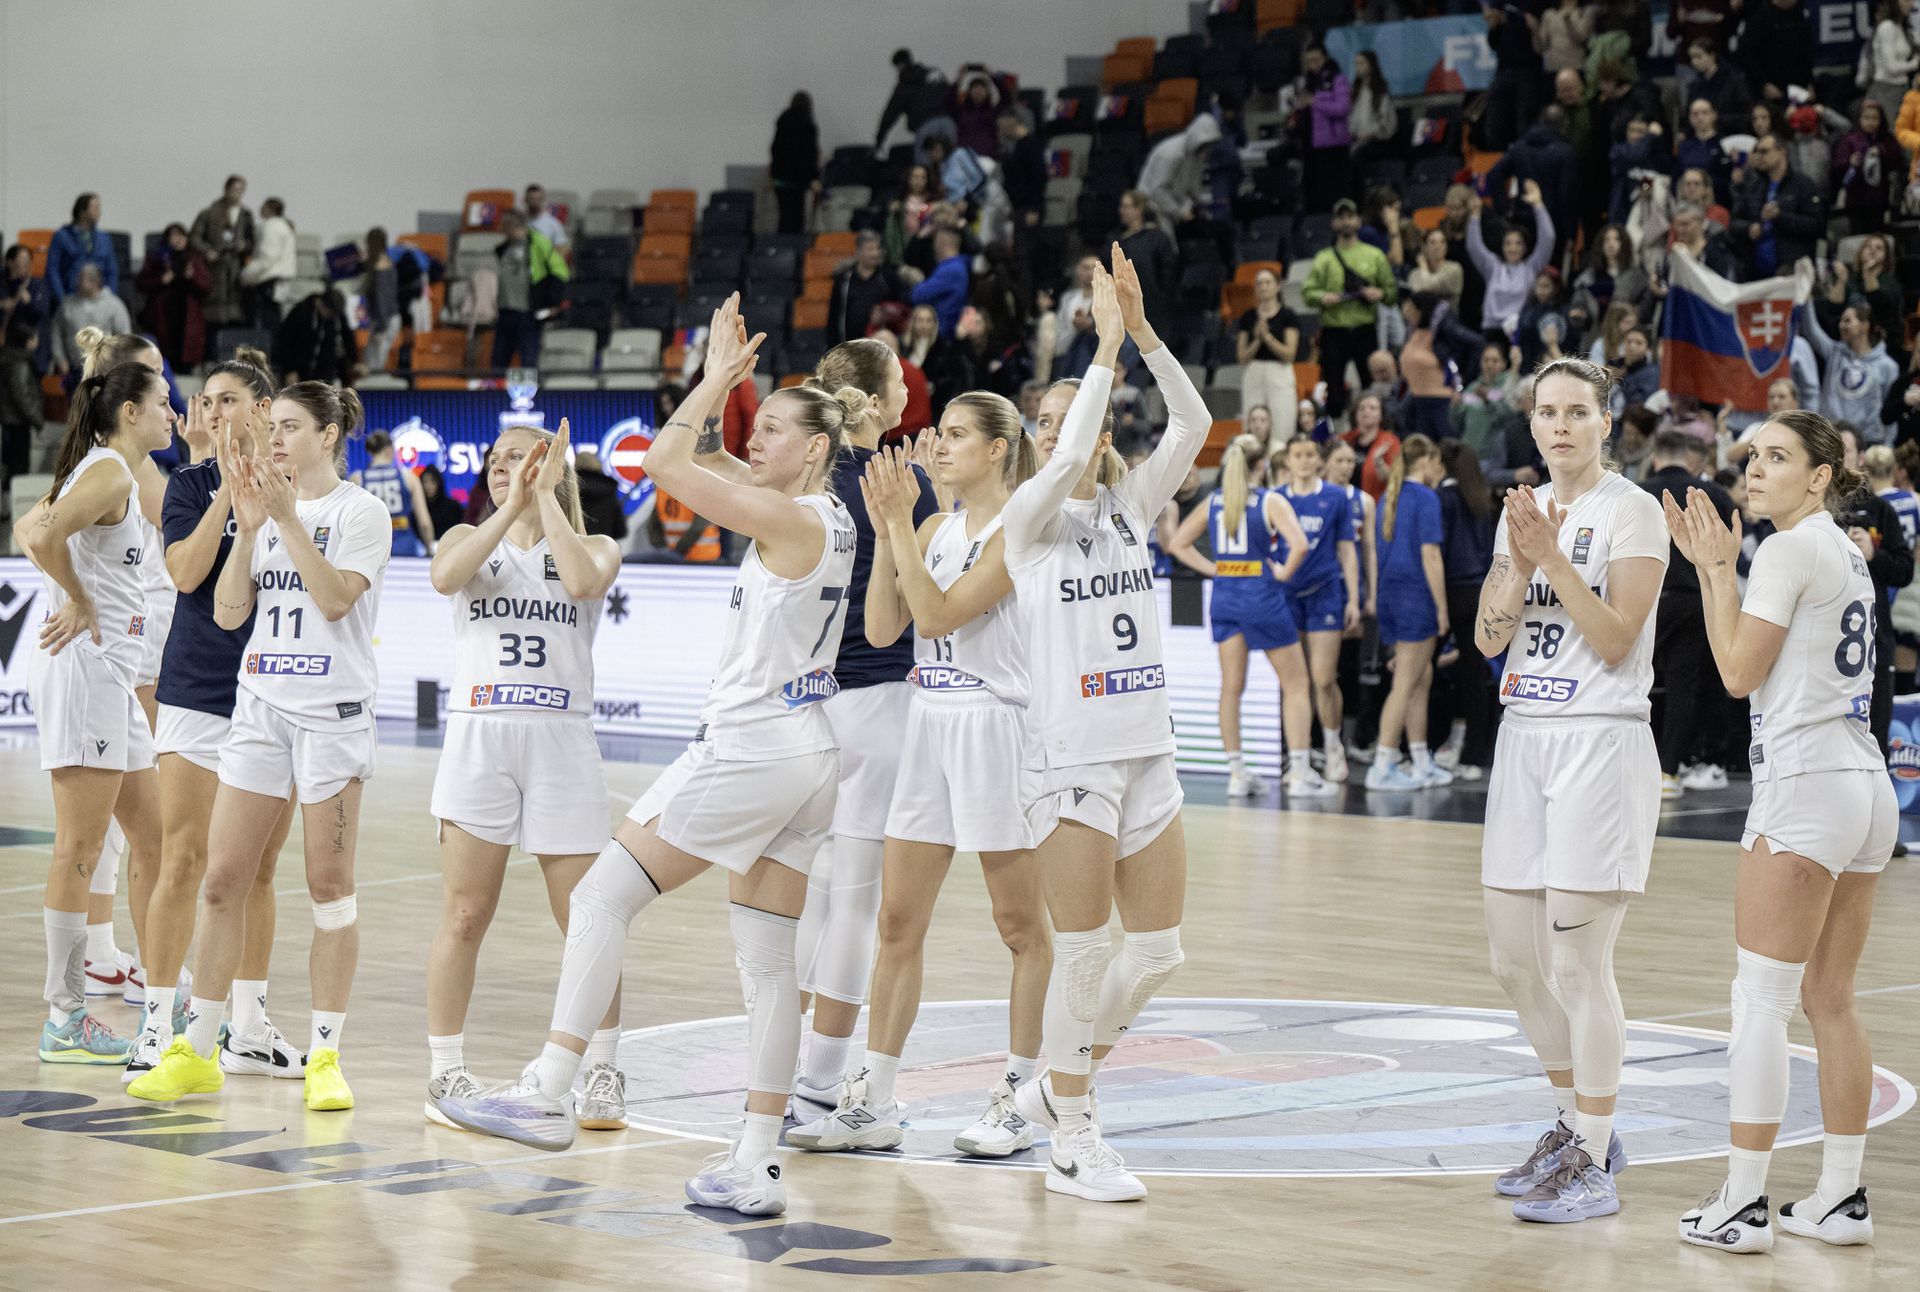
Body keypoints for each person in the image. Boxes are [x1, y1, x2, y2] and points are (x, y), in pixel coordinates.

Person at [439, 298, 859, 1221]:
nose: (757, 441)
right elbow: (704, 460)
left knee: (599, 896)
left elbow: (666, 463)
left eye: (775, 429)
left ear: (818, 449)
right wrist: (715, 407)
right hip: (809, 755)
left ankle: (550, 1089)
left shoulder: (795, 526)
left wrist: (714, 383)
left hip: (750, 748)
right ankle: (758, 1162)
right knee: (766, 965)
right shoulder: (814, 515)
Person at [972, 248, 1206, 1203]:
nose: (1076, 430)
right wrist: (1101, 348)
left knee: (1156, 952)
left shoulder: (1130, 509)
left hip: (1148, 754)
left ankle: (1045, 1090)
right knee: (1083, 951)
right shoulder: (1026, 519)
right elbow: (1064, 457)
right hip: (1070, 761)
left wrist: (1140, 333)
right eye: (1056, 416)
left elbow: (1191, 421)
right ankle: (1073, 1131)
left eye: (1091, 411)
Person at [789, 393, 1051, 1156]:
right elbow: (883, 629)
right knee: (897, 923)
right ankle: (874, 1097)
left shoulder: (1021, 530)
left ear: (999, 450)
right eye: (938, 435)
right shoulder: (933, 528)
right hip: (927, 720)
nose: (938, 447)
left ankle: (1021, 1096)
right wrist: (889, 530)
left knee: (1019, 927)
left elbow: (938, 618)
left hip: (996, 728)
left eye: (958, 436)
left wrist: (898, 526)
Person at [1666, 410, 1894, 1252]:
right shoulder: (1844, 550)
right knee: (1828, 998)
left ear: (1821, 475)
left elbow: (1734, 673)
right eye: (1752, 455)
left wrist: (1717, 572)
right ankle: (1838, 1197)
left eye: (1777, 457)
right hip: (1866, 783)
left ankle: (1743, 1201)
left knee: (1758, 1000)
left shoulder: (1792, 549)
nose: (1754, 470)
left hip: (1808, 785)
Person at [128, 380, 389, 1114]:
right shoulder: (263, 513)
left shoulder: (362, 511)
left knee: (327, 886)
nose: (274, 440)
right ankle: (199, 1049)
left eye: (291, 428)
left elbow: (337, 599)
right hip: (259, 711)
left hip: (332, 717)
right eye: (271, 427)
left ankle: (326, 1056)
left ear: (329, 435)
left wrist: (285, 521)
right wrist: (247, 531)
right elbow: (229, 606)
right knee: (220, 881)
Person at [1473, 356, 1667, 1223]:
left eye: (1576, 412)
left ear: (1605, 422)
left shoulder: (1632, 512)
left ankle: (1593, 1152)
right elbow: (1487, 638)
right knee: (1514, 961)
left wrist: (1552, 556)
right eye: (1545, 412)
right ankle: (1573, 1120)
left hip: (1601, 741)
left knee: (1578, 966)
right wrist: (1518, 564)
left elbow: (1618, 639)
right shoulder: (1524, 511)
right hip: (1525, 739)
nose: (1558, 426)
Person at [422, 420, 625, 1129]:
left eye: (523, 456)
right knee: (465, 912)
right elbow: (444, 576)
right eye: (497, 460)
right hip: (480, 737)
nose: (506, 466)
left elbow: (579, 581)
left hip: (562, 739)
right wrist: (511, 508)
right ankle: (445, 1071)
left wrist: (547, 503)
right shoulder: (463, 540)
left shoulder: (596, 543)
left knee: (588, 918)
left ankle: (600, 1066)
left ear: (554, 465)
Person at [134, 348, 301, 1082]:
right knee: (185, 862)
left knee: (259, 870)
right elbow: (184, 574)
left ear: (264, 411)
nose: (211, 412)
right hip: (199, 693)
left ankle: (248, 1025)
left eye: (228, 400)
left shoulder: (301, 490)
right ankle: (156, 1021)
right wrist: (230, 496)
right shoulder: (188, 486)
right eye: (205, 402)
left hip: (279, 698)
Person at [11, 356, 176, 1064]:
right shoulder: (108, 471)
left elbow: (30, 523)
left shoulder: (114, 474)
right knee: (77, 849)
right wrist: (76, 597)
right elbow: (39, 536)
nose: (174, 412)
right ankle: (65, 1014)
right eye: (164, 401)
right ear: (130, 411)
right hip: (85, 677)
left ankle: (168, 997)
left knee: (155, 841)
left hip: (113, 680)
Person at [787, 338, 937, 1113]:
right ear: (874, 403)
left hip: (808, 699)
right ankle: (822, 1073)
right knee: (856, 896)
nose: (912, 389)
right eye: (901, 381)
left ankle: (789, 1058)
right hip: (881, 696)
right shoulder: (903, 482)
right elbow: (930, 590)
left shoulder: (804, 476)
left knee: (811, 890)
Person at [1167, 435, 1331, 799]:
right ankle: (1301, 773)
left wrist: (1215, 569)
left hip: (1225, 594)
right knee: (1295, 684)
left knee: (1230, 688)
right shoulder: (1270, 500)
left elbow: (1177, 543)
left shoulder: (1214, 500)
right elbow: (1300, 544)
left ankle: (1238, 773)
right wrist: (1285, 572)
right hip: (1261, 593)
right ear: (1263, 466)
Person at [1638, 429, 1738, 799]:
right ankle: (1667, 772)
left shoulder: (1634, 492)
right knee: (1684, 688)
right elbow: (1731, 549)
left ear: (1655, 455)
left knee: (1628, 678)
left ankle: (1624, 767)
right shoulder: (1714, 494)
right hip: (1695, 598)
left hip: (1646, 597)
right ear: (1687, 457)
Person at [1364, 436, 1452, 789]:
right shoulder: (1427, 498)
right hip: (1416, 597)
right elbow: (1431, 555)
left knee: (1420, 678)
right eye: (1437, 461)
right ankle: (1382, 764)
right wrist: (1442, 606)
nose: (1439, 468)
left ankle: (1419, 760)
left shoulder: (1390, 496)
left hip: (1391, 596)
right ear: (1427, 459)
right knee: (1405, 682)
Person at [1437, 441, 1500, 777]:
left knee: (1422, 672)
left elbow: (1436, 551)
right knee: (1474, 676)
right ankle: (1474, 755)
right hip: (1477, 592)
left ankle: (1426, 746)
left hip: (1447, 592)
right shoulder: (1482, 501)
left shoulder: (1442, 500)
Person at [1305, 198, 1396, 423]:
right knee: (1333, 388)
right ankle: (1335, 435)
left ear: (1358, 220)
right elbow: (1308, 293)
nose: (1346, 222)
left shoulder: (1374, 255)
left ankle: (1373, 427)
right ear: (1334, 223)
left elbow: (1392, 293)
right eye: (1341, 217)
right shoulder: (1324, 258)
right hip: (1334, 330)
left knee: (1370, 384)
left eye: (1350, 216)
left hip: (1365, 328)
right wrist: (1322, 297)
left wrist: (1379, 294)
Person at [1466, 180, 1556, 336]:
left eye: (1518, 243)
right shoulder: (1492, 266)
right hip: (1491, 331)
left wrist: (1538, 205)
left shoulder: (1532, 267)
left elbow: (1548, 238)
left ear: (1525, 247)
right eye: (1508, 243)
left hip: (1519, 331)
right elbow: (1473, 246)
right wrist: (1474, 216)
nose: (1512, 248)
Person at [1802, 304, 1900, 444]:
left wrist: (1888, 445)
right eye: (1841, 321)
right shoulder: (1834, 353)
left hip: (1869, 441)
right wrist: (1807, 297)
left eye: (1847, 320)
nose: (1841, 325)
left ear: (1864, 325)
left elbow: (1891, 412)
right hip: (1831, 437)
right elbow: (1811, 329)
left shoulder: (1888, 366)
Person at [1731, 134, 1825, 279]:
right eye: (1756, 152)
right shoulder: (1754, 187)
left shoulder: (1803, 185)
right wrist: (1748, 228)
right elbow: (1734, 221)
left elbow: (1815, 225)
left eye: (1764, 151)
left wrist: (1780, 216)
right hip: (1755, 271)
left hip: (1791, 269)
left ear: (1782, 151)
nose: (1758, 156)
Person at [493, 210, 568, 369]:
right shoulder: (504, 248)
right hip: (505, 311)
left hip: (528, 312)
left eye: (506, 227)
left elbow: (560, 271)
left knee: (528, 359)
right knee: (498, 361)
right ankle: (496, 392)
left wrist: (553, 302)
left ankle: (529, 393)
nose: (503, 230)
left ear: (517, 226)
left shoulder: (539, 243)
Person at [1235, 269, 1300, 444]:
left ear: (1277, 286)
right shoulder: (1248, 317)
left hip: (1279, 370)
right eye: (1259, 283)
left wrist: (1268, 338)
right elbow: (1242, 357)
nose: (1263, 287)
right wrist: (1257, 339)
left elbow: (1289, 354)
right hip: (1254, 370)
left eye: (1267, 282)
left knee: (1282, 422)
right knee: (1253, 419)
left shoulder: (1288, 315)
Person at [135, 225, 210, 372]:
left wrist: (192, 277)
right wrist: (161, 280)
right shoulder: (156, 258)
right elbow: (141, 282)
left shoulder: (194, 259)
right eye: (174, 236)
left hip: (187, 316)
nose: (178, 239)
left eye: (181, 236)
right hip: (162, 314)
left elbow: (206, 287)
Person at [350, 432, 438, 558]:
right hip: (404, 547)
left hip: (370, 550)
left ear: (371, 452)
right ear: (389, 450)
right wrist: (429, 549)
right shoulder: (409, 477)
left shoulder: (357, 479)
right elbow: (424, 523)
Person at [1138, 112, 1225, 236]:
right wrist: (1178, 211)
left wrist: (1201, 204)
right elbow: (1157, 190)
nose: (1206, 148)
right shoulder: (1170, 154)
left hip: (1176, 201)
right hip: (1153, 205)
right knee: (1167, 242)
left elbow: (1192, 185)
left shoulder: (1198, 154)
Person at [189, 175, 255, 327]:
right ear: (227, 189)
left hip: (236, 268)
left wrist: (244, 246)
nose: (237, 193)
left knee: (235, 315)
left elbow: (253, 242)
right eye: (234, 189)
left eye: (241, 190)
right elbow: (194, 238)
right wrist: (207, 251)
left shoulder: (246, 215)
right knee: (213, 316)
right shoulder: (209, 213)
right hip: (214, 267)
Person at [1831, 99, 1904, 234]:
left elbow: (1898, 161)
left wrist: (1881, 152)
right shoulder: (1850, 139)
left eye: (1874, 118)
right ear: (1859, 119)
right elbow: (1837, 165)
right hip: (1856, 198)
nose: (1870, 122)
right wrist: (1850, 161)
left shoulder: (1887, 139)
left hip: (1879, 198)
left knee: (1877, 233)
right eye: (1866, 118)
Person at [1297, 46, 1353, 212]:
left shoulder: (1337, 79)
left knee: (1334, 187)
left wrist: (1315, 102)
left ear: (1325, 58)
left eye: (1316, 60)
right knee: (1315, 187)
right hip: (1311, 143)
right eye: (1308, 62)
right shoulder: (1308, 83)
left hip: (1333, 143)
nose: (1312, 65)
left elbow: (1342, 108)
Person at [51, 266, 132, 379]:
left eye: (81, 278)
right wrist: (60, 359)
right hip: (75, 370)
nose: (77, 282)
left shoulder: (114, 305)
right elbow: (56, 333)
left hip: (106, 371)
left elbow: (125, 338)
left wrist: (118, 365)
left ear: (95, 281)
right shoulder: (67, 305)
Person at [827, 232, 904, 346]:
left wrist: (886, 314)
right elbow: (833, 315)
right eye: (870, 249)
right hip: (848, 346)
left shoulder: (888, 278)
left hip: (880, 347)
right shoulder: (844, 279)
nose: (875, 253)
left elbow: (900, 309)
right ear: (858, 251)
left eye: (877, 248)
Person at [273, 288, 358, 386]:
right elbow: (285, 341)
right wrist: (289, 370)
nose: (330, 316)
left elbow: (348, 337)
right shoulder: (301, 312)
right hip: (300, 369)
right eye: (329, 312)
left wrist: (354, 360)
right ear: (320, 303)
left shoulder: (336, 317)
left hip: (325, 372)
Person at [1400, 293, 1455, 442]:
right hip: (1417, 400)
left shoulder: (1440, 334)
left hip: (1441, 401)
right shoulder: (1411, 333)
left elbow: (1453, 362)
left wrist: (1459, 387)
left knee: (1447, 447)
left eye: (1411, 308)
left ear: (1421, 310)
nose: (1406, 311)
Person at [45, 192, 118, 304]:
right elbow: (52, 270)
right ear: (82, 212)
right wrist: (62, 299)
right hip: (71, 297)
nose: (99, 212)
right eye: (95, 208)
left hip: (100, 298)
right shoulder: (62, 236)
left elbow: (112, 270)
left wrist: (109, 298)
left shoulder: (104, 238)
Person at [240, 198, 295, 332]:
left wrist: (245, 275)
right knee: (272, 320)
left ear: (269, 208)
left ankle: (266, 352)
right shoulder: (283, 226)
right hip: (276, 281)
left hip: (268, 281)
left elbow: (267, 258)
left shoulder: (272, 227)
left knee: (266, 324)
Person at [771, 92, 822, 235]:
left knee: (784, 217)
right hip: (796, 181)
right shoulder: (807, 126)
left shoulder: (782, 123)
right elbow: (806, 157)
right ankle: (794, 251)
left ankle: (782, 249)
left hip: (780, 179)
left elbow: (775, 150)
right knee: (796, 219)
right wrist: (812, 179)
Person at [1348, 50, 1398, 183]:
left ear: (1371, 65)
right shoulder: (1356, 91)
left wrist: (1370, 133)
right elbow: (1352, 120)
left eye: (1361, 63)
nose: (1358, 67)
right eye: (1356, 64)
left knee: (1359, 154)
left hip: (1378, 141)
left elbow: (1388, 124)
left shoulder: (1380, 91)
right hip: (1357, 139)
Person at [909, 227, 970, 338]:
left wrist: (917, 282)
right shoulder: (957, 266)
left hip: (944, 333)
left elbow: (918, 295)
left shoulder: (951, 270)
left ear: (940, 242)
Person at [1343, 392, 1402, 498]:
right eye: (1361, 408)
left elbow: (1394, 477)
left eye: (1372, 408)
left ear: (1381, 415)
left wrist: (1379, 461)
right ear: (1355, 414)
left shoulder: (1390, 442)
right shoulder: (1345, 439)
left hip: (1374, 502)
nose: (1366, 412)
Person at [361, 228, 402, 372]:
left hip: (385, 321)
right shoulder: (382, 262)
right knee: (370, 361)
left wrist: (380, 329)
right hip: (383, 319)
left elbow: (382, 301)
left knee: (374, 367)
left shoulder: (382, 269)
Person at [571, 449, 629, 541]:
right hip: (604, 547)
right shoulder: (609, 489)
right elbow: (620, 530)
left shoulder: (569, 489)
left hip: (575, 545)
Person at [1410, 228, 1465, 314]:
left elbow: (1428, 287)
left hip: (1447, 323)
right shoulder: (1415, 273)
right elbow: (1415, 293)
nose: (1438, 246)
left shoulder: (1454, 269)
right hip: (1423, 324)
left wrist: (1423, 265)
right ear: (1424, 247)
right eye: (1432, 242)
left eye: (1442, 242)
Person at [523, 184, 570, 250]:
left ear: (544, 200)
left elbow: (563, 247)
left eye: (539, 199)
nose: (535, 202)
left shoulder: (553, 223)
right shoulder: (518, 221)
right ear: (525, 199)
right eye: (531, 199)